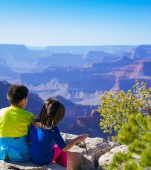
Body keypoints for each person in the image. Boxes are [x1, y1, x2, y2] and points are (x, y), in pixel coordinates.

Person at [29, 98, 88, 168]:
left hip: (32, 158)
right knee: (60, 147)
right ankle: (63, 167)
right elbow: (64, 148)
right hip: (44, 160)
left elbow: (29, 141)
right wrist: (79, 138)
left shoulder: (33, 123)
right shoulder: (53, 129)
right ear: (57, 116)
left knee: (53, 146)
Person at [0, 84, 35, 162]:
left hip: (2, 153)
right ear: (23, 100)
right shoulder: (29, 116)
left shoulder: (1, 112)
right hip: (20, 155)